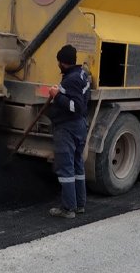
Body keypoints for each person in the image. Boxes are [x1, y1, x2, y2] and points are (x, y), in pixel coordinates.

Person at [46, 44, 91, 218]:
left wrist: (57, 96)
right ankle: (80, 205)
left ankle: (68, 209)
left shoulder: (71, 79)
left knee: (66, 169)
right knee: (77, 165)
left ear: (62, 62)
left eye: (58, 61)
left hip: (67, 127)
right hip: (79, 126)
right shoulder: (82, 74)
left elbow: (76, 106)